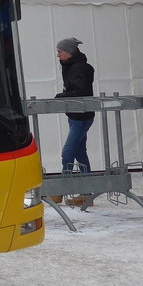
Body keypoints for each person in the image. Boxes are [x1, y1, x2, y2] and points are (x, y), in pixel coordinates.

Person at [55, 37, 95, 207]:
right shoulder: (71, 66)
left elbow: (79, 91)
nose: (58, 55)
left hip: (80, 116)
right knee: (79, 152)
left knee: (68, 152)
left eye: (60, 52)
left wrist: (61, 97)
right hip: (76, 115)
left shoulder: (78, 68)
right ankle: (86, 193)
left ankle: (62, 189)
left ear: (69, 52)